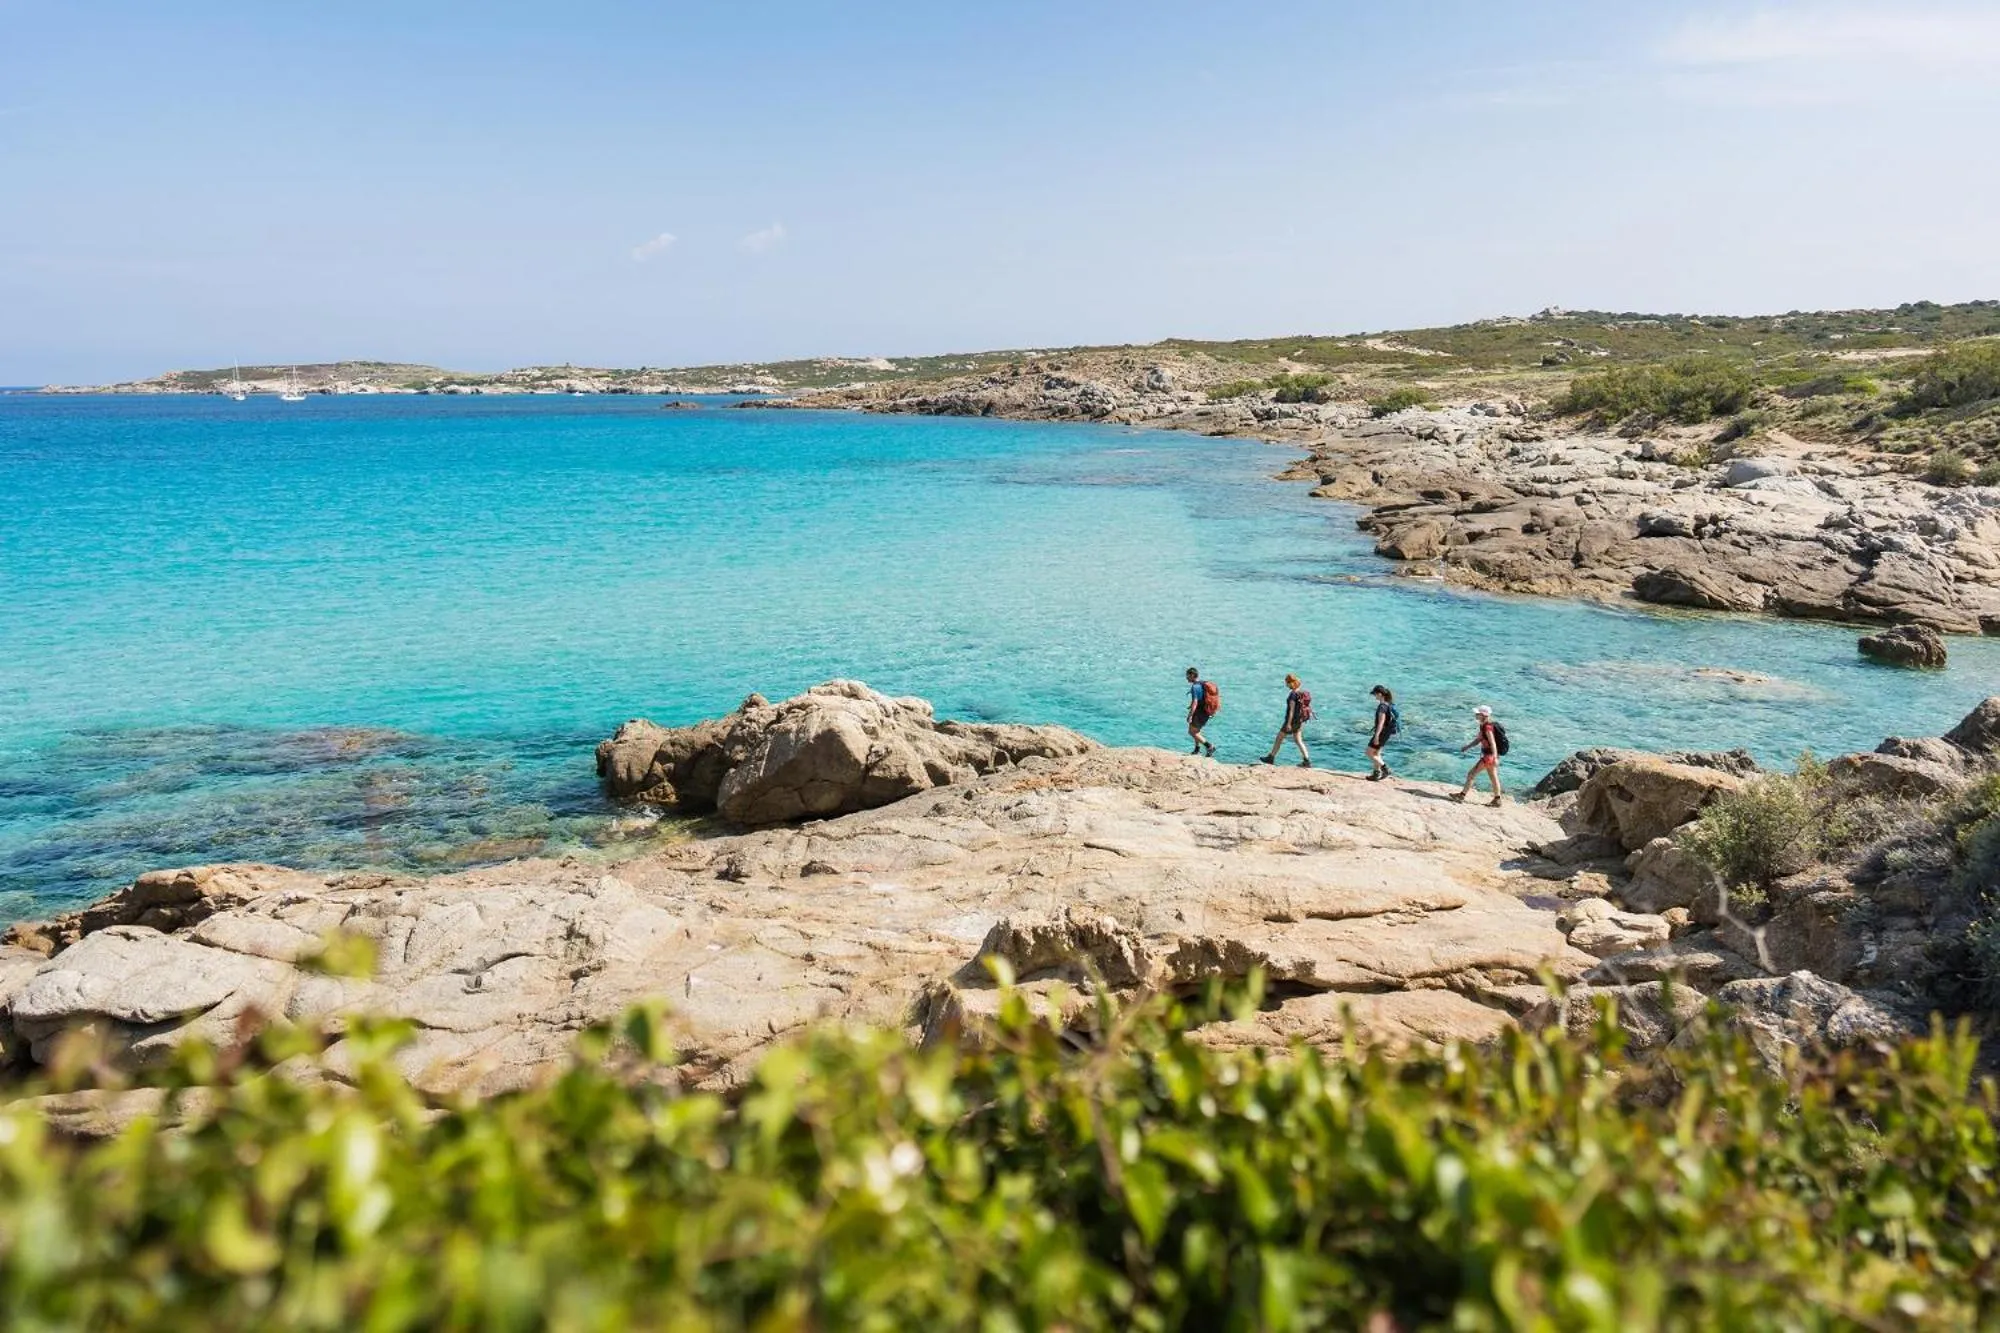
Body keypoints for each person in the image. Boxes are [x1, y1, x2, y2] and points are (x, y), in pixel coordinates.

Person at [1453, 704, 1504, 806]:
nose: (1476, 715)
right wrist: (1468, 746)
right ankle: (1497, 799)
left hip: (1489, 757)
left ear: (1483, 715)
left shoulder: (1488, 727)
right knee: (1493, 777)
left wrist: (1495, 757)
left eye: (1478, 713)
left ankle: (1461, 796)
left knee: (1471, 774)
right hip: (1490, 756)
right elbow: (1479, 739)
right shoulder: (1483, 726)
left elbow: (1493, 743)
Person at [1259, 673, 1312, 768]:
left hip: (1291, 721)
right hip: (1299, 720)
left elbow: (1291, 710)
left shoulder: (1293, 695)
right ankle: (1306, 760)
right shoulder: (1301, 693)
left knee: (1279, 738)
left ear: (1290, 683)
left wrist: (1288, 724)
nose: (1286, 685)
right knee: (1298, 740)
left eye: (1287, 683)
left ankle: (1271, 757)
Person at [1365, 685, 1399, 781]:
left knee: (1369, 752)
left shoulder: (1382, 707)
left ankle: (1385, 769)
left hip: (1381, 733)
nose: (1374, 696)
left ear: (1380, 694)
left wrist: (1376, 736)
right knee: (1376, 753)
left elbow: (1381, 722)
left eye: (1375, 694)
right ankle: (1376, 773)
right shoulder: (1389, 704)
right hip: (1387, 733)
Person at [1185, 667, 1217, 757]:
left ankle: (1209, 746)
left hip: (1199, 713)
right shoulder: (1202, 684)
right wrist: (1191, 705)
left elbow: (1195, 702)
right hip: (1205, 712)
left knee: (1192, 732)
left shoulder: (1195, 687)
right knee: (1197, 731)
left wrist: (1190, 715)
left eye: (1187, 675)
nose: (1186, 678)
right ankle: (1197, 749)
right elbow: (1200, 698)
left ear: (1192, 675)